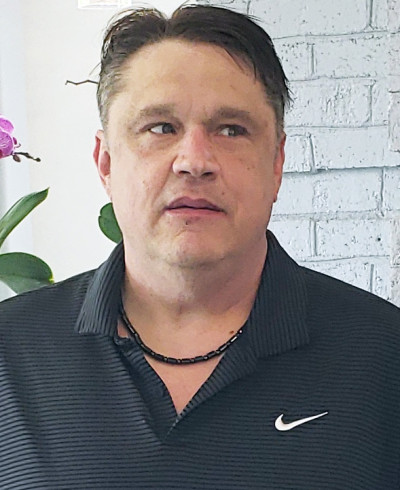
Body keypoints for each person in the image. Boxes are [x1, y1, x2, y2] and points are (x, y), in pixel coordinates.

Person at [1, 4, 399, 489]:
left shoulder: (384, 357)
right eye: (160, 128)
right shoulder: (10, 353)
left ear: (277, 163)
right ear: (106, 163)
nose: (194, 161)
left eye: (231, 129)